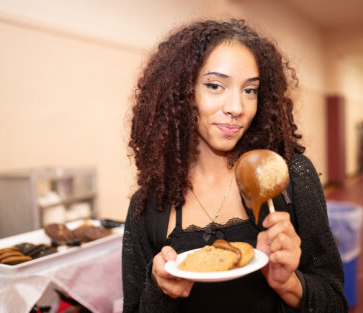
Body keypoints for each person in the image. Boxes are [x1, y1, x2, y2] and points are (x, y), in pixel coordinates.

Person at [122, 19, 348, 313]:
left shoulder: (292, 177)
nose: (237, 108)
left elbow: (335, 302)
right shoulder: (149, 205)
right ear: (179, 93)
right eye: (215, 86)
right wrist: (159, 289)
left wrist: (289, 284)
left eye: (250, 90)